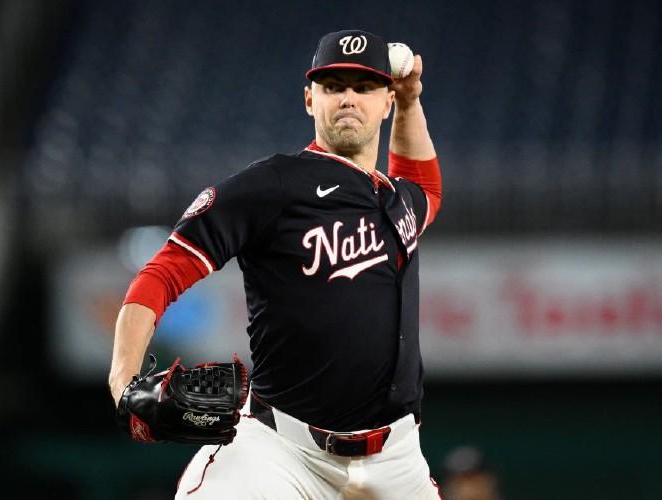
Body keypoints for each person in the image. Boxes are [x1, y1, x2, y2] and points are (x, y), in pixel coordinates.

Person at [109, 29, 443, 499]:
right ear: (310, 100)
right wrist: (123, 381)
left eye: (364, 87)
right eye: (333, 86)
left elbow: (426, 186)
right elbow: (161, 273)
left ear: (385, 102)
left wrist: (410, 101)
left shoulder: (398, 199)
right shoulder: (272, 186)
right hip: (282, 451)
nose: (348, 98)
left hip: (396, 459)